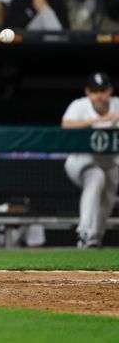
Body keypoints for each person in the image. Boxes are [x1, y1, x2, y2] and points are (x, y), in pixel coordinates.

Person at [61, 72, 119, 249]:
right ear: (88, 92)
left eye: (102, 90)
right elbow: (66, 125)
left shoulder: (117, 105)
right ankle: (85, 232)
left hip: (110, 162)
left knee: (108, 197)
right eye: (94, 91)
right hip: (81, 160)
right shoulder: (79, 105)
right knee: (96, 177)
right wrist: (99, 120)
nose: (99, 95)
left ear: (109, 91)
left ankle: (95, 238)